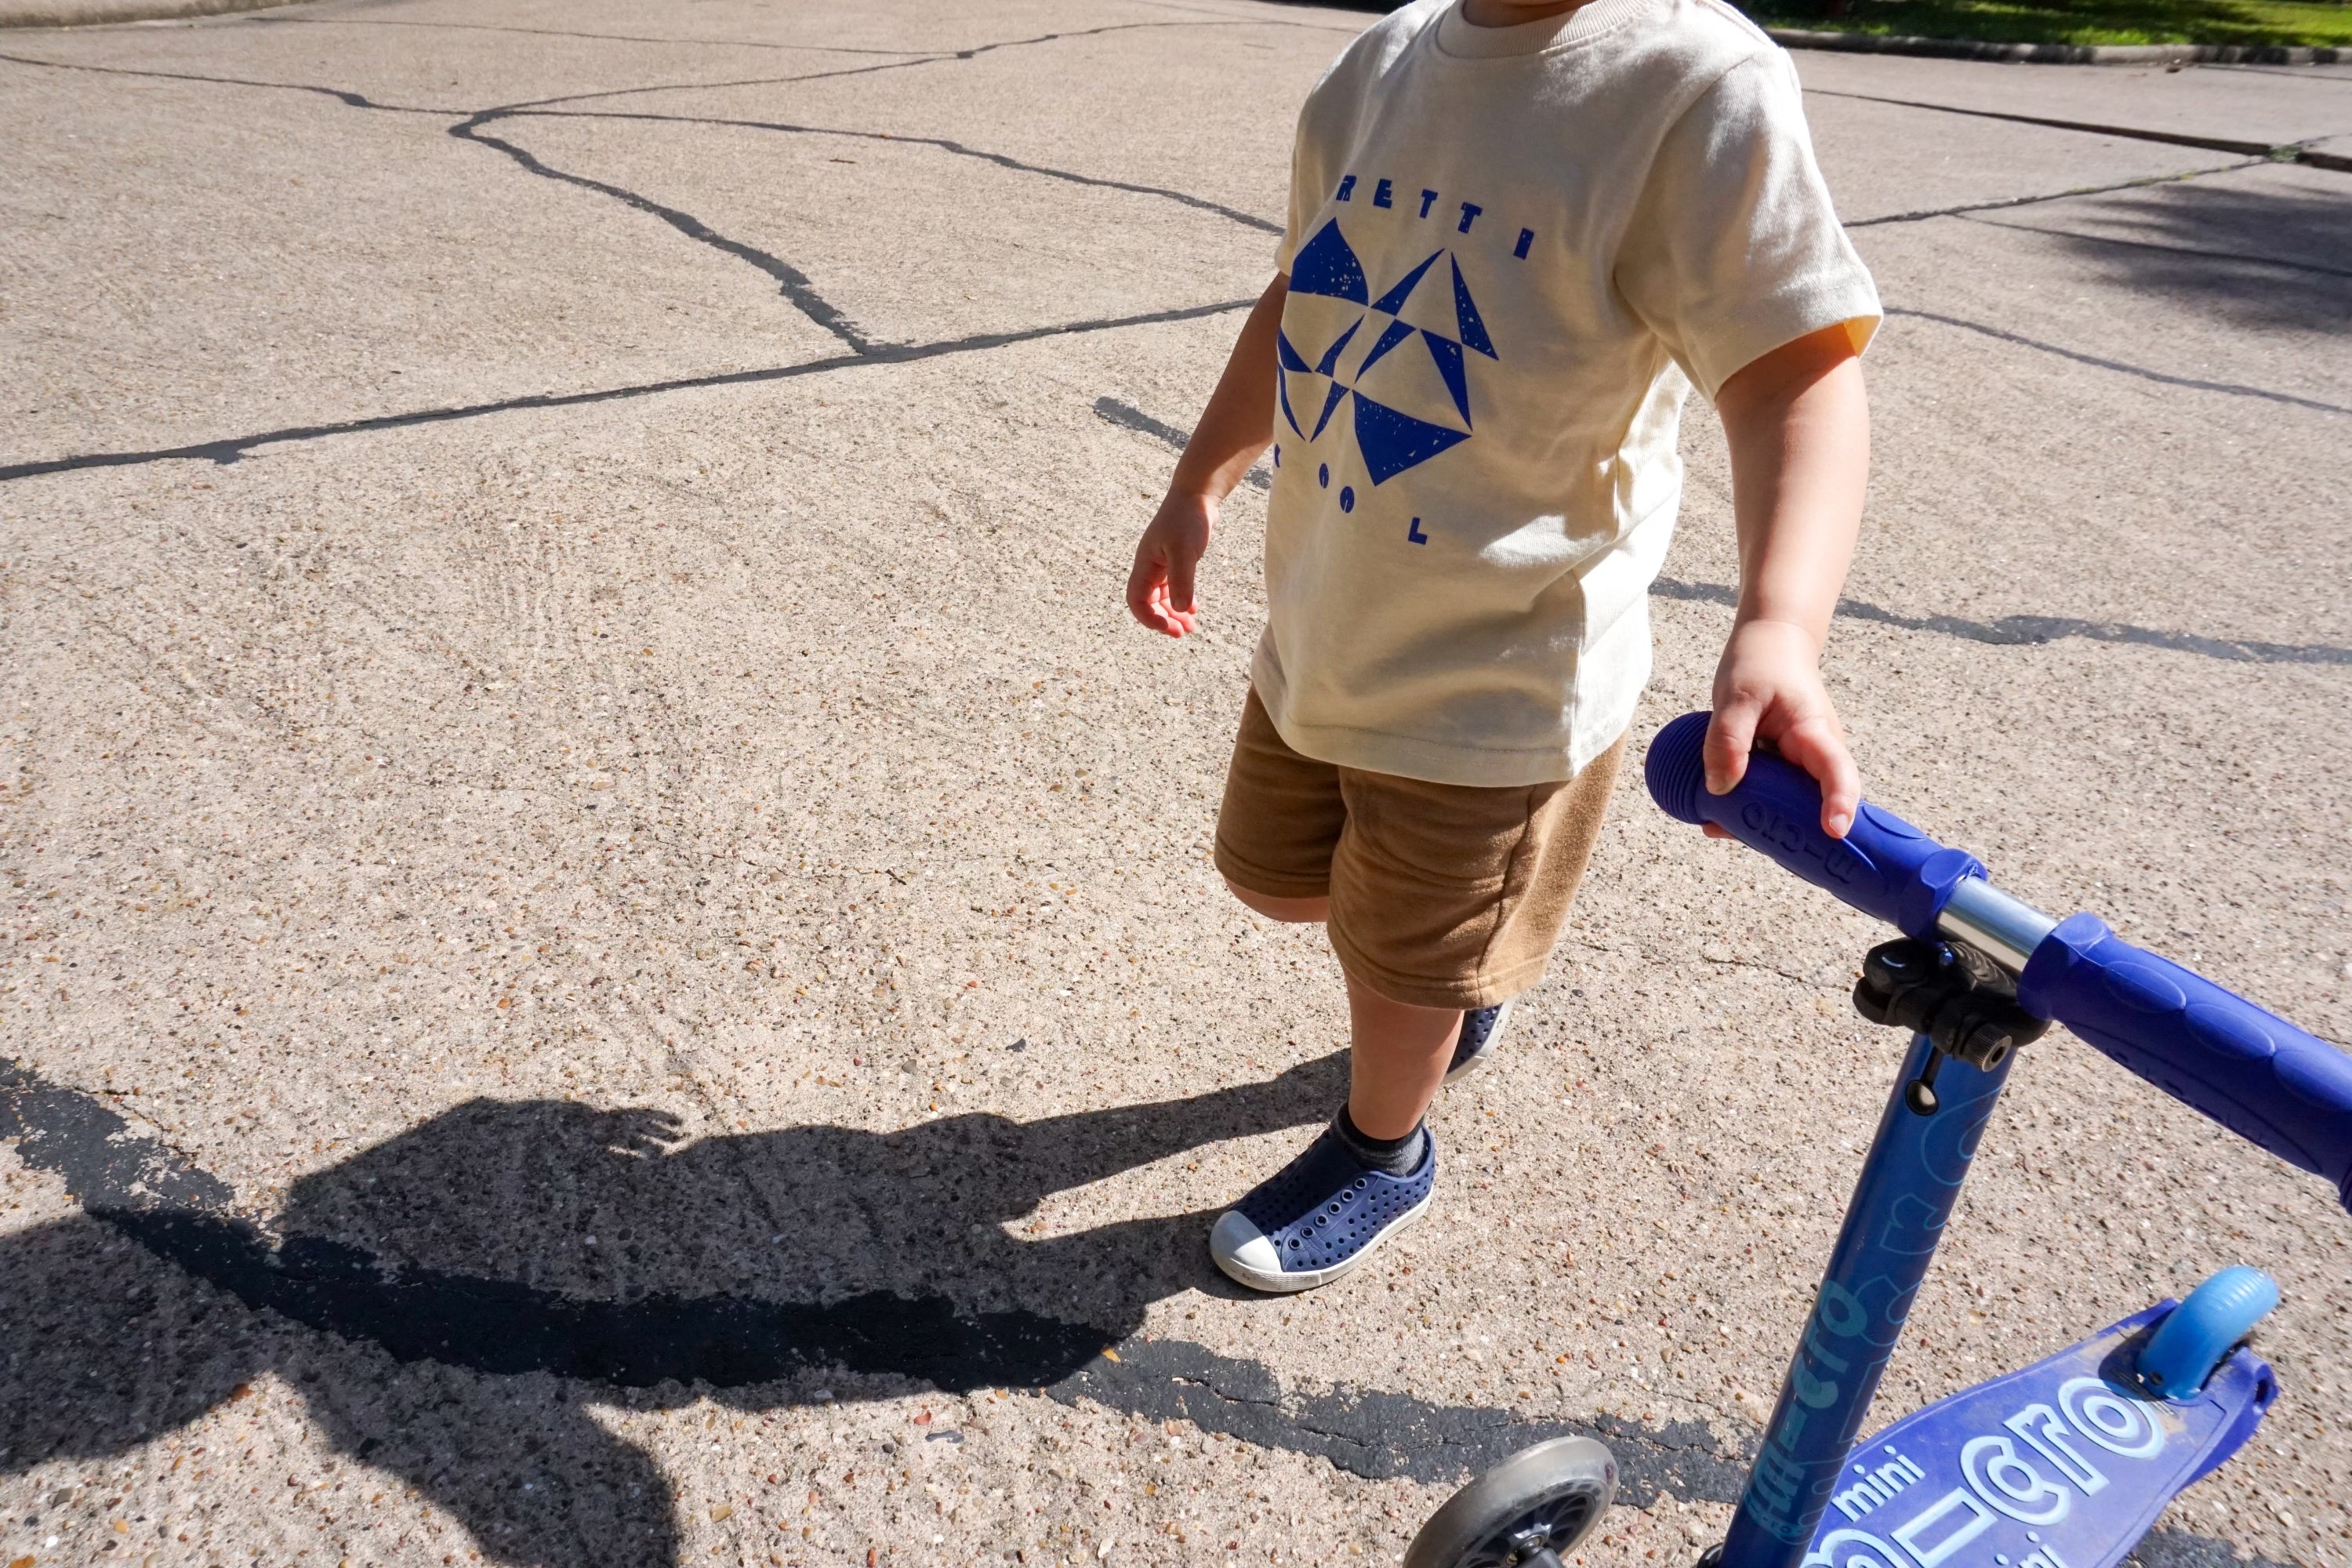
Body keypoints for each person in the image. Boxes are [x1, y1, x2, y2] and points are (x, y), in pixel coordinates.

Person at [1125, 0, 1877, 1293]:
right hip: (1329, 621)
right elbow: (1309, 290)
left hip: (1503, 680)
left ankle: (1384, 1148)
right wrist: (1203, 476)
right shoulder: (1385, 63)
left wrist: (1780, 624)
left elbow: (1792, 371)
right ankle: (1464, 981)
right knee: (1279, 883)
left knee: (1404, 965)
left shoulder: (1691, 85)